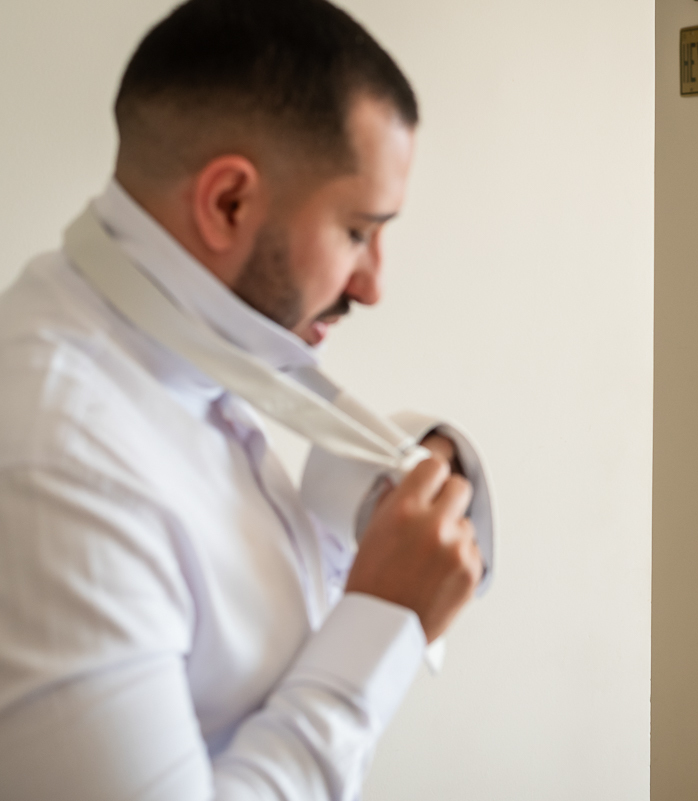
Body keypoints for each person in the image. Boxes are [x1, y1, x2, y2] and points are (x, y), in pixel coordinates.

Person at [0, 1, 492, 798]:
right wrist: (382, 621)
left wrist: (372, 495)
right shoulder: (58, 464)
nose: (374, 282)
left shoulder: (172, 351)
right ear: (229, 202)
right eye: (359, 231)